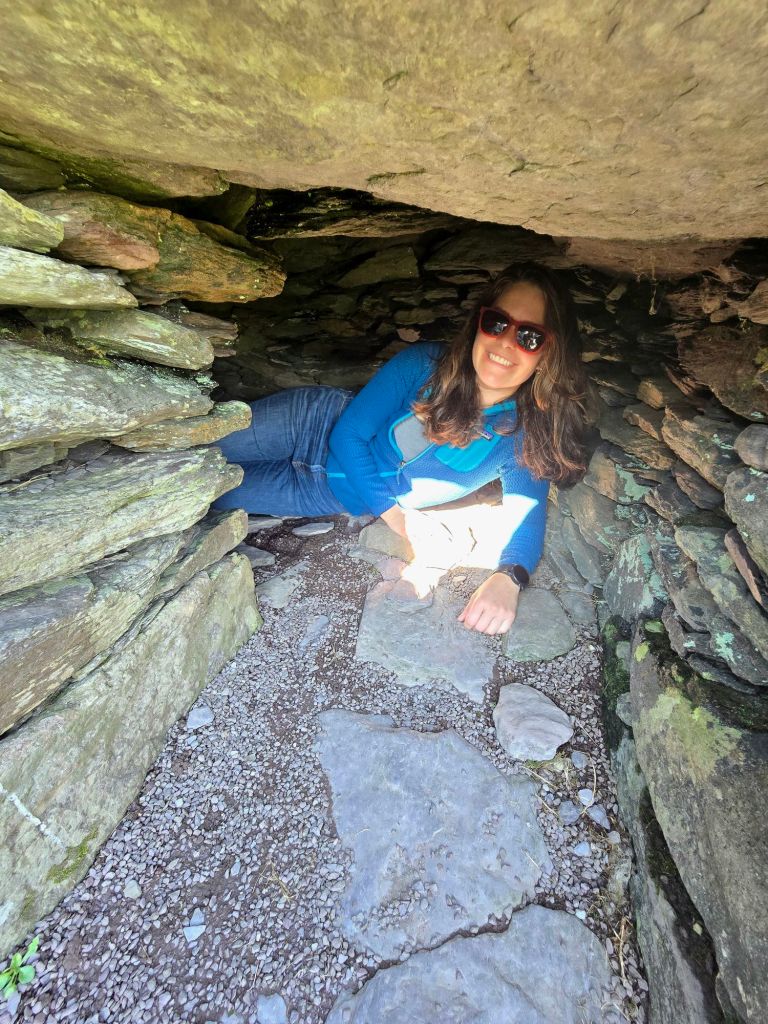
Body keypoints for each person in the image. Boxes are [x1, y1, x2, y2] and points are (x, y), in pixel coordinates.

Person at [214, 261, 589, 635]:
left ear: (548, 355)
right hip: (308, 423)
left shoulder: (522, 438)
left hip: (319, 493)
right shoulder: (425, 364)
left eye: (529, 337)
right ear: (480, 323)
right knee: (199, 448)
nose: (505, 341)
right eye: (497, 322)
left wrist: (508, 578)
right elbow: (347, 436)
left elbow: (527, 517)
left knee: (207, 496)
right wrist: (398, 519)